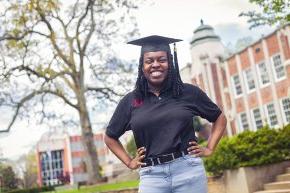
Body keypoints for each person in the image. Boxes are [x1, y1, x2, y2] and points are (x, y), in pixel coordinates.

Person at [104, 35, 227, 193]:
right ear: (142, 66)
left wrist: (209, 148)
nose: (155, 65)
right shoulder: (131, 101)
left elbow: (219, 118)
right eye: (149, 61)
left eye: (162, 60)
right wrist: (129, 162)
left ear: (171, 63)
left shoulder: (188, 92)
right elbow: (110, 136)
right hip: (151, 176)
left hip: (188, 171)